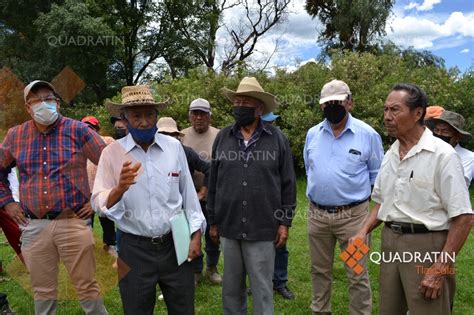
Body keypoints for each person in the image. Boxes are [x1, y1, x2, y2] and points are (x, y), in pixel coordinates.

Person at [352, 83, 472, 315]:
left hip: (427, 246)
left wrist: (440, 268)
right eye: (385, 110)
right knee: (389, 310)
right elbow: (382, 202)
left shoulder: (443, 155)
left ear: (418, 113)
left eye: (395, 110)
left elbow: (464, 218)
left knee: (428, 310)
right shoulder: (390, 154)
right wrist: (362, 231)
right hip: (390, 243)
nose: (387, 116)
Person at [91, 85, 205, 314]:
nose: (143, 121)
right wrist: (119, 189)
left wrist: (195, 235)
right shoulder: (112, 154)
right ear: (124, 119)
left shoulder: (174, 148)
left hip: (175, 244)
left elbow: (189, 196)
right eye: (136, 115)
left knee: (183, 308)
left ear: (156, 116)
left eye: (149, 114)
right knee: (136, 309)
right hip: (133, 248)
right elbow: (98, 202)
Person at [0, 80, 108, 314]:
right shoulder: (15, 136)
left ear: (57, 103)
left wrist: (96, 201)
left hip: (73, 222)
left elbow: (110, 163)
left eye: (48, 98)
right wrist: (7, 202)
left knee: (87, 286)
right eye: (36, 100)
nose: (43, 104)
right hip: (34, 225)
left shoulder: (78, 130)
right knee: (43, 291)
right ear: (28, 107)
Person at [207, 77, 297, 315]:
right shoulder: (223, 137)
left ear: (258, 108)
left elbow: (288, 183)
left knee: (262, 287)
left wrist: (284, 223)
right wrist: (213, 221)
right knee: (231, 289)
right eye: (236, 101)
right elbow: (213, 181)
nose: (239, 106)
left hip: (263, 226)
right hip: (229, 224)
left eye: (245, 102)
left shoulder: (277, 139)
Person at [303, 79, 384, 315]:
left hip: (354, 219)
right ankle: (320, 311)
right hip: (317, 216)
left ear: (349, 102)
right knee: (319, 270)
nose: (332, 107)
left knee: (356, 273)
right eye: (327, 103)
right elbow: (311, 169)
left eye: (337, 102)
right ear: (321, 106)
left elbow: (377, 178)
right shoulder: (313, 134)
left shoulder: (367, 135)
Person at [181, 98, 222, 285]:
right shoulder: (180, 135)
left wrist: (205, 190)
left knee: (213, 233)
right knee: (191, 232)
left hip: (214, 194)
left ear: (210, 116)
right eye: (195, 113)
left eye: (203, 114)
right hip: (187, 196)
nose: (199, 117)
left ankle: (212, 268)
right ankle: (195, 270)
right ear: (189, 116)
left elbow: (219, 167)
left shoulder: (219, 136)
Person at [260, 111, 294, 300]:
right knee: (256, 247)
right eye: (267, 122)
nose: (270, 125)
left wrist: (285, 214)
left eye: (271, 122)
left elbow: (287, 178)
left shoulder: (279, 139)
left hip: (276, 204)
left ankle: (280, 282)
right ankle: (259, 282)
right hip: (256, 205)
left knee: (280, 245)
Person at [81, 116, 117, 256]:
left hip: (104, 189)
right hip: (85, 190)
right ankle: (87, 245)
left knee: (106, 217)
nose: (89, 130)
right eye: (86, 127)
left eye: (92, 127)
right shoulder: (77, 144)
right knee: (86, 219)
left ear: (97, 129)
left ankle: (110, 244)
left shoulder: (107, 140)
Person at [427, 110, 474, 186]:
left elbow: (454, 183)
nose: (439, 134)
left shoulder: (469, 158)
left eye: (445, 131)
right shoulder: (427, 153)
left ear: (458, 136)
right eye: (436, 130)